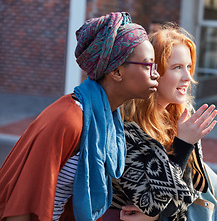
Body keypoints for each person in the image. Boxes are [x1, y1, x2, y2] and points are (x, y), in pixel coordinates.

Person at [0, 12, 160, 221]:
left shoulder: (106, 117)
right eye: (148, 65)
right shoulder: (68, 118)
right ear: (117, 72)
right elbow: (20, 203)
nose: (156, 73)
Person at [103, 24, 217, 221]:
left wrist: (157, 216)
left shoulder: (182, 117)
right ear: (153, 72)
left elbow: (189, 193)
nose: (188, 77)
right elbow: (149, 203)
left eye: (189, 67)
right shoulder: (124, 127)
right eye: (177, 68)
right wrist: (182, 146)